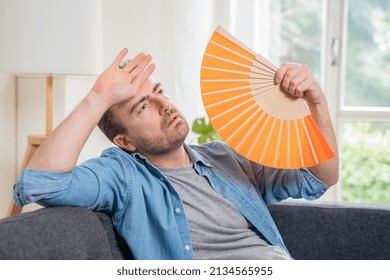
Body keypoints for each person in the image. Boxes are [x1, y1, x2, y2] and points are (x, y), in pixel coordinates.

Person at [13, 48, 339, 260]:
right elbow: (38, 184)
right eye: (143, 107)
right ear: (124, 141)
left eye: (159, 92)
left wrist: (316, 102)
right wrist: (97, 98)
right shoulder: (123, 176)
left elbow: (320, 177)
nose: (164, 105)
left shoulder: (225, 159)